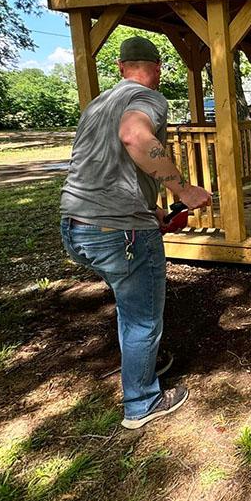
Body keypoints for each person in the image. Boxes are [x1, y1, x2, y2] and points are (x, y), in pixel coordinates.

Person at [60, 36, 212, 430]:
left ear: (120, 66)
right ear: (157, 68)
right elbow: (135, 137)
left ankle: (140, 361)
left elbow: (107, 165)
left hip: (76, 225)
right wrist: (184, 190)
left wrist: (155, 209)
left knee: (131, 305)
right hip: (118, 230)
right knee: (142, 317)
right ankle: (142, 401)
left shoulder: (98, 104)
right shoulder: (148, 98)